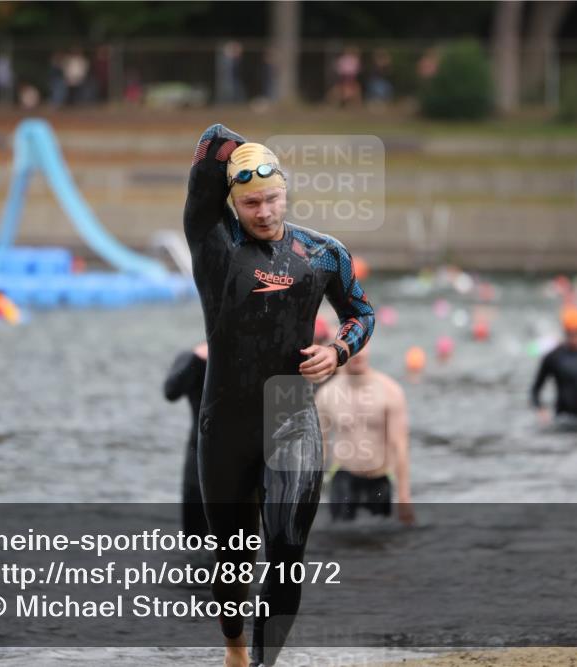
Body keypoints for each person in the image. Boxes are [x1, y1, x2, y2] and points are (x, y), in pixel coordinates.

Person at [183, 124, 375, 667]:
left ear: (286, 192)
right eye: (250, 202)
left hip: (290, 415)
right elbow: (210, 145)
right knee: (232, 560)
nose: (263, 211)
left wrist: (338, 350)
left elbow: (363, 314)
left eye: (271, 198)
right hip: (224, 425)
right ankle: (235, 647)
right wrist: (243, 150)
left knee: (288, 550)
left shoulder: (323, 254)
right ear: (233, 202)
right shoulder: (215, 244)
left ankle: (265, 664)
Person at [316, 344, 414, 525]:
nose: (357, 354)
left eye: (360, 347)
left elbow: (399, 446)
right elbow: (319, 448)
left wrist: (404, 497)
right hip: (343, 476)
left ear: (368, 348)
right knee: (336, 542)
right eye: (351, 349)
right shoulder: (326, 394)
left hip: (379, 478)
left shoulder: (390, 391)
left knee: (380, 543)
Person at [164, 342, 210, 540]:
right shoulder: (195, 357)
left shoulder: (242, 356)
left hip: (240, 455)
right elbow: (171, 391)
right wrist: (196, 359)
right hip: (199, 450)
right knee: (195, 538)